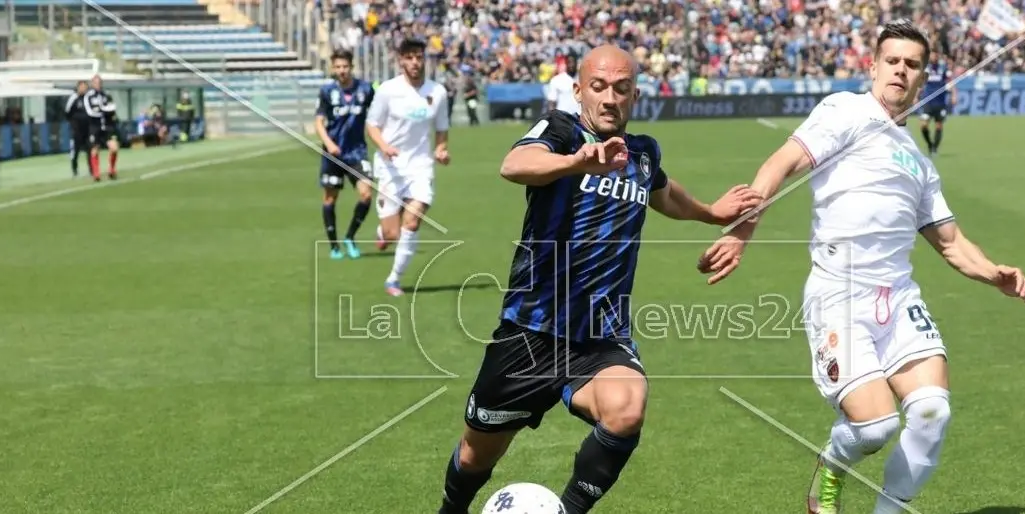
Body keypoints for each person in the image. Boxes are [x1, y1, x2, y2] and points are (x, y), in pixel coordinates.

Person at [696, 21, 1025, 514]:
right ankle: (832, 464)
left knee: (932, 411)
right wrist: (744, 228)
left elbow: (952, 242)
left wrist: (993, 273)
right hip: (838, 295)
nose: (901, 70)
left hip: (897, 300)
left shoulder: (919, 162)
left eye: (912, 64)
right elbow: (781, 163)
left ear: (922, 78)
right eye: (892, 60)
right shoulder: (845, 110)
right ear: (873, 66)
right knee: (875, 428)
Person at [438, 45, 762, 514]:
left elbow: (664, 194)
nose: (610, 98)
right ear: (579, 91)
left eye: (622, 89)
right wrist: (578, 162)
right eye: (599, 87)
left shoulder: (643, 153)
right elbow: (515, 165)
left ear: (635, 95)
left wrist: (713, 215)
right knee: (475, 454)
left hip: (600, 335)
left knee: (627, 406)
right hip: (531, 332)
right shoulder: (563, 130)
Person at [366, 38, 450, 297]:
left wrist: (441, 149)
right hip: (391, 168)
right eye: (409, 57)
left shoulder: (438, 92)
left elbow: (441, 128)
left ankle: (394, 279)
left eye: (419, 57)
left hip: (420, 168)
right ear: (401, 60)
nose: (415, 62)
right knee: (392, 233)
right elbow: (372, 125)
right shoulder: (388, 91)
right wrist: (384, 146)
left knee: (412, 221)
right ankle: (383, 233)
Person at [316, 48, 376, 260]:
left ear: (351, 67)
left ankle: (350, 237)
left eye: (345, 66)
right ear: (333, 68)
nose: (341, 70)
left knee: (366, 194)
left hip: (357, 151)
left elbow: (378, 114)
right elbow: (319, 122)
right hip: (333, 153)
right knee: (330, 198)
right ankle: (334, 246)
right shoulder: (327, 92)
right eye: (338, 67)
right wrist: (329, 143)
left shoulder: (366, 89)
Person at [919, 51, 956, 157]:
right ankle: (930, 144)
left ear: (938, 56)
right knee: (923, 125)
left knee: (939, 126)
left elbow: (950, 81)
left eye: (935, 54)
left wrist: (954, 95)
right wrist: (916, 95)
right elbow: (921, 83)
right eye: (932, 54)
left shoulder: (943, 67)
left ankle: (934, 148)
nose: (933, 56)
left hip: (940, 102)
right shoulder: (926, 68)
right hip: (928, 101)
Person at [83, 75, 119, 181]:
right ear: (92, 84)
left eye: (100, 83)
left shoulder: (106, 95)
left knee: (114, 148)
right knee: (94, 149)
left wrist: (104, 110)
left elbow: (112, 107)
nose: (98, 85)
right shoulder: (88, 96)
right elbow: (90, 112)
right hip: (95, 126)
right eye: (96, 83)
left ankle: (111, 170)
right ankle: (96, 174)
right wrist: (104, 110)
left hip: (107, 126)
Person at [64, 80, 90, 178]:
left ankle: (92, 170)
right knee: (76, 150)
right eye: (81, 87)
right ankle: (74, 170)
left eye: (85, 87)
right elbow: (67, 112)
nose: (83, 88)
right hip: (77, 129)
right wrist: (73, 123)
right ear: (78, 87)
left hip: (88, 129)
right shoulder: (73, 98)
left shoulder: (88, 98)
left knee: (90, 150)